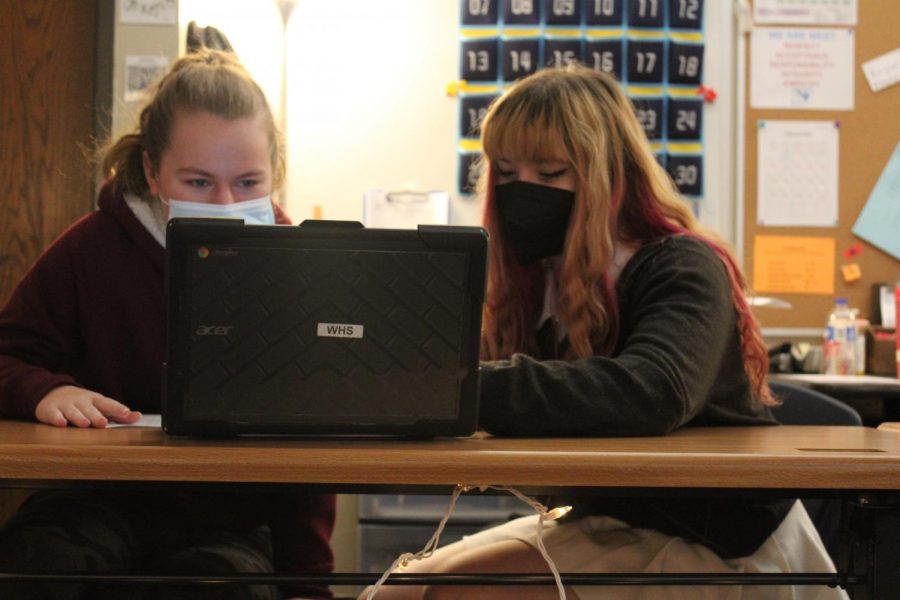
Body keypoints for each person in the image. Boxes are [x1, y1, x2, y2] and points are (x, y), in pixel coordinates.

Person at [361, 65, 845, 600]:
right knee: (394, 592)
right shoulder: (540, 284)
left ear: (609, 174)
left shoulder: (681, 266)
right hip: (613, 521)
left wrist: (457, 388)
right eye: (505, 171)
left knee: (447, 596)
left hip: (723, 545)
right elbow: (479, 370)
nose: (524, 191)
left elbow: (652, 390)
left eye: (550, 173)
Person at [0, 49, 336, 600]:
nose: (226, 204)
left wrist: (309, 586)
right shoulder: (92, 249)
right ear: (153, 172)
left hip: (230, 518)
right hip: (98, 499)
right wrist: (45, 389)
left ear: (276, 172)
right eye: (200, 183)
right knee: (36, 569)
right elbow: (8, 353)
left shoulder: (296, 267)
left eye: (249, 182)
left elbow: (311, 438)